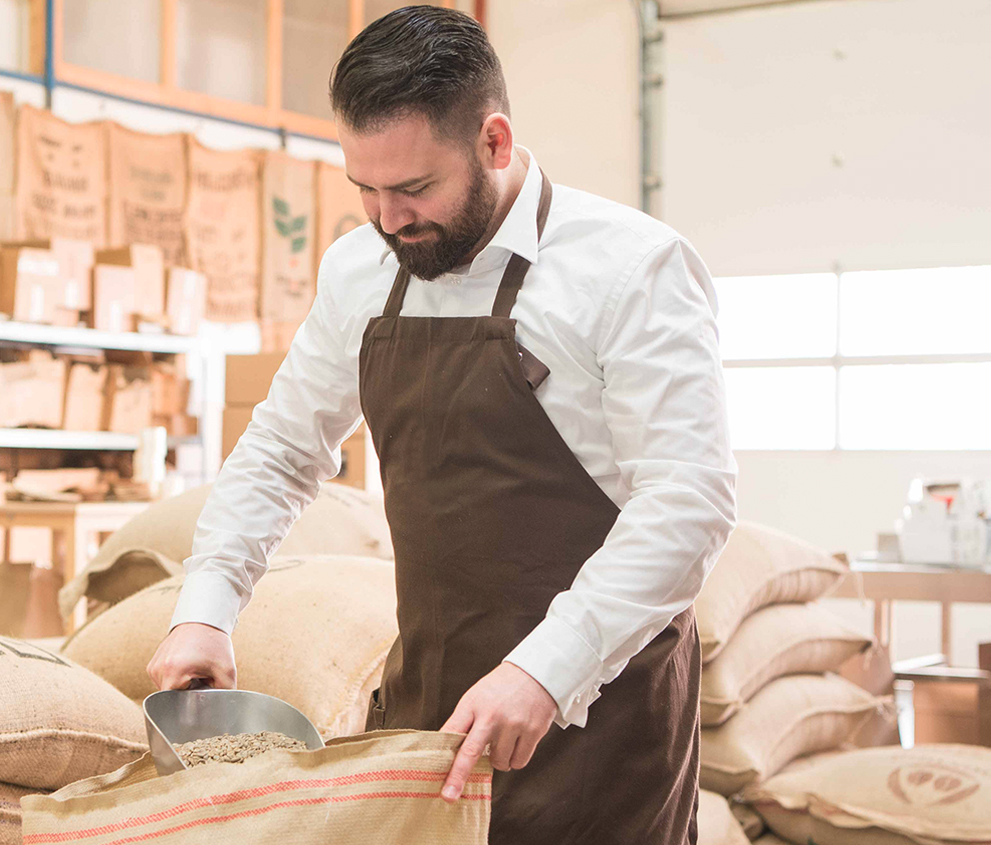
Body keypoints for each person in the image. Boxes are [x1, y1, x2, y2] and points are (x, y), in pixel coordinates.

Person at [147, 6, 736, 843]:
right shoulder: (359, 270)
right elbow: (282, 449)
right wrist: (206, 605)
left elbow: (687, 501)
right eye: (366, 189)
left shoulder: (631, 269)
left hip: (599, 731)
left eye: (415, 189)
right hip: (426, 712)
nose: (388, 219)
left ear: (494, 141)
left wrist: (545, 670)